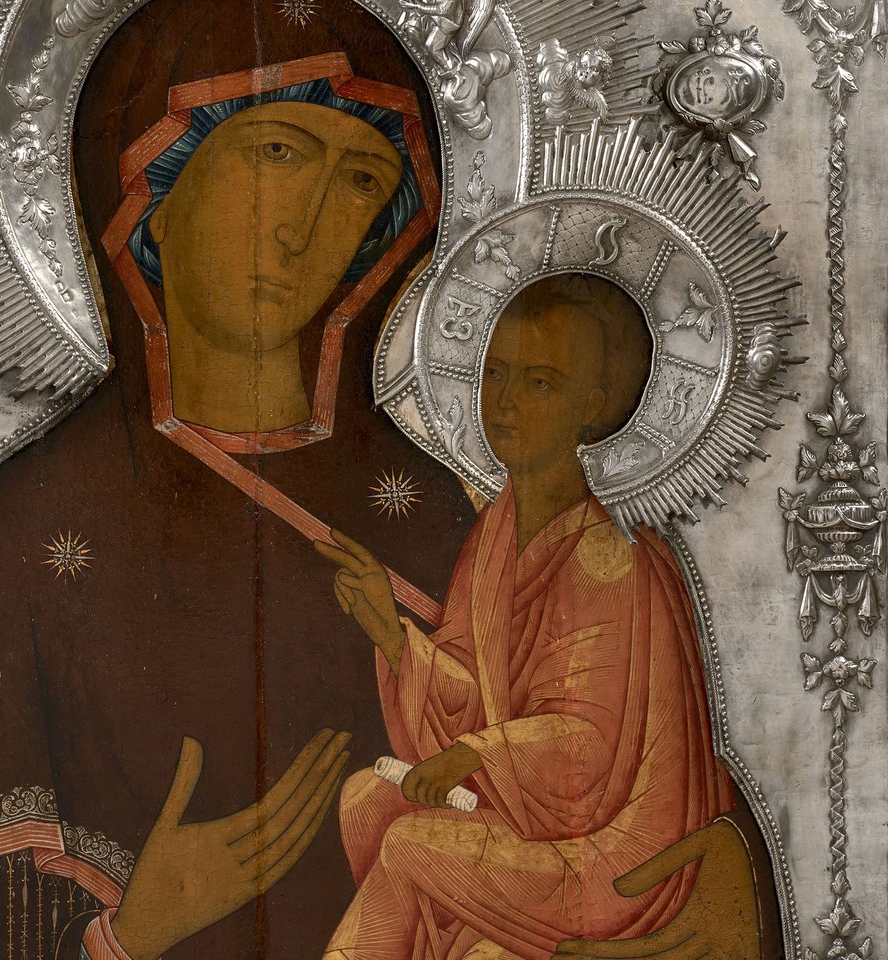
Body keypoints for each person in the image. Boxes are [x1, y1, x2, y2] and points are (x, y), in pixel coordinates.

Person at [0, 5, 477, 960]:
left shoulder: (444, 525)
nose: (305, 228)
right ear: (150, 181)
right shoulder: (2, 553)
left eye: (362, 180)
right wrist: (131, 933)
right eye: (276, 153)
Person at [316, 274, 761, 959]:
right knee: (366, 801)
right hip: (528, 809)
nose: (505, 402)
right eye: (495, 374)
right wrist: (390, 632)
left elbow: (588, 748)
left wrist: (475, 754)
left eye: (540, 383)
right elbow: (473, 694)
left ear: (593, 405)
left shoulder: (606, 556)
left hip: (614, 847)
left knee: (408, 841)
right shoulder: (497, 530)